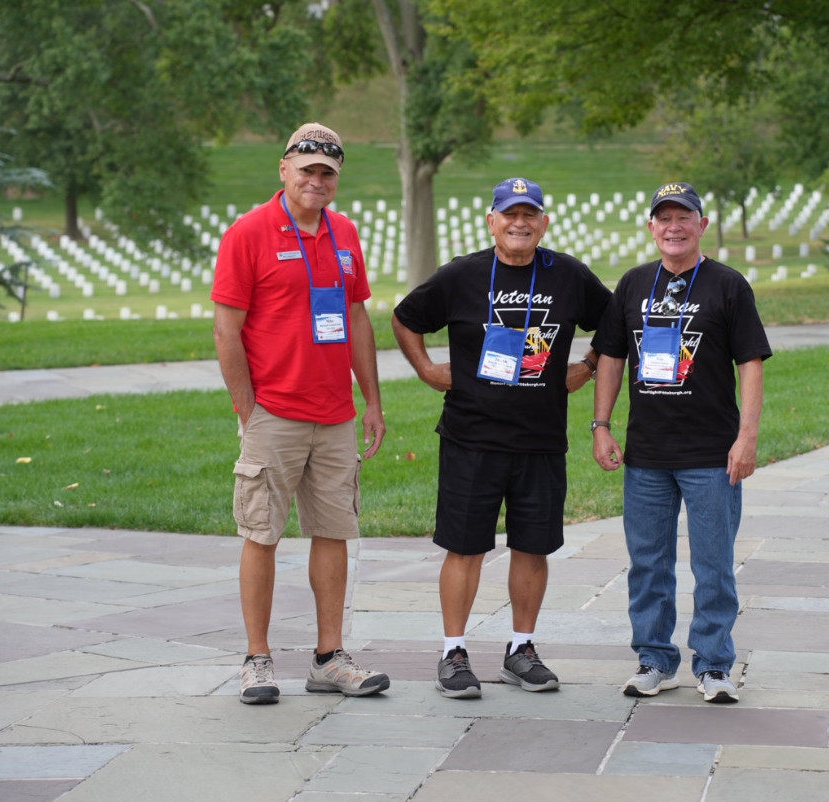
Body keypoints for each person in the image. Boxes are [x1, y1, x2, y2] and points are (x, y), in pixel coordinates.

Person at [392, 177, 610, 699]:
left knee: (532, 548)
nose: (519, 223)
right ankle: (453, 653)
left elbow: (616, 324)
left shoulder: (568, 275)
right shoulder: (463, 275)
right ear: (492, 221)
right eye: (509, 214)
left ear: (544, 222)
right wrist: (425, 369)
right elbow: (405, 318)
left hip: (539, 437)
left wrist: (588, 364)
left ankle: (521, 649)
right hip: (472, 435)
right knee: (464, 548)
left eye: (529, 214)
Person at [211, 123, 389, 704]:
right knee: (262, 533)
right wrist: (247, 407)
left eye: (327, 173)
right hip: (276, 413)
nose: (316, 180)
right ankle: (257, 661)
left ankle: (328, 658)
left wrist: (372, 399)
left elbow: (357, 317)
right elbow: (226, 329)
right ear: (283, 169)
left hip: (335, 413)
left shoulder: (345, 233)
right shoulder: (249, 232)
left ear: (337, 180)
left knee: (335, 531)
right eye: (306, 169)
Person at [591, 181, 771, 704]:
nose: (673, 227)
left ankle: (714, 665)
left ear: (701, 225)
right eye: (663, 218)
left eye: (683, 217)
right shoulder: (632, 285)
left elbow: (751, 364)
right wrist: (600, 425)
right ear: (651, 227)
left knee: (713, 564)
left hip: (713, 456)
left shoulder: (728, 285)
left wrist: (747, 436)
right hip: (646, 454)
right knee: (648, 563)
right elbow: (610, 358)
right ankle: (654, 660)